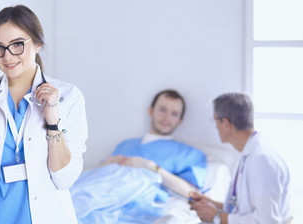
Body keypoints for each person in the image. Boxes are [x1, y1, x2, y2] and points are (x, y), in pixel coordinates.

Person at [0, 5, 87, 224]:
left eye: (17, 45)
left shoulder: (68, 97)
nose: (7, 56)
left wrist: (52, 121)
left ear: (38, 44)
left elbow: (64, 178)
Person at [189, 92, 291, 224]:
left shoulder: (262, 160)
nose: (215, 126)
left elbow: (267, 221)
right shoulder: (248, 154)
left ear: (225, 123)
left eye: (215, 120)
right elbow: (245, 209)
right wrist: (212, 204)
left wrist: (217, 217)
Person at [102, 89, 207, 198]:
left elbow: (194, 194)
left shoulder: (190, 154)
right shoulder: (125, 144)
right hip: (101, 192)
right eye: (162, 110)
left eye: (174, 114)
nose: (166, 118)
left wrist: (150, 167)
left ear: (180, 120)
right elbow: (96, 176)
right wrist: (108, 163)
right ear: (151, 111)